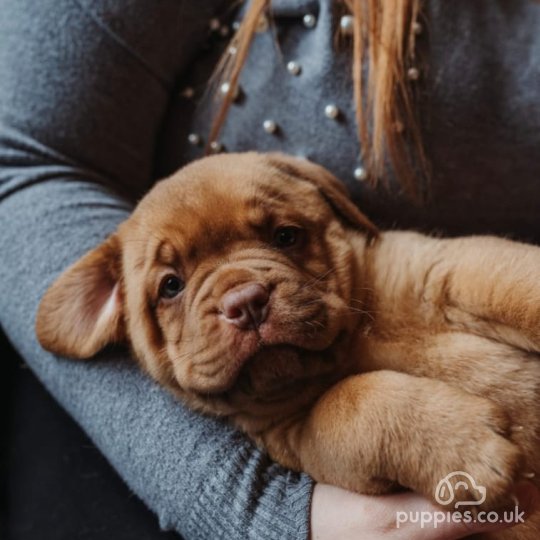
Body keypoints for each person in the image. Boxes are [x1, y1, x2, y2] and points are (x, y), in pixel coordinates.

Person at [1, 0, 539, 538]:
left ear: (331, 206)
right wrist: (266, 513)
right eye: (171, 287)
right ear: (111, 302)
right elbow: (19, 162)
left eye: (285, 238)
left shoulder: (380, 267)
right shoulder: (278, 417)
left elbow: (485, 278)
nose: (242, 298)